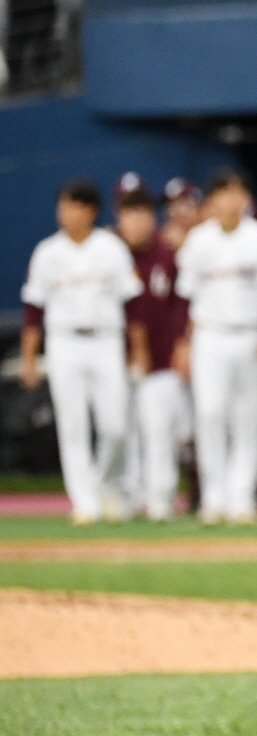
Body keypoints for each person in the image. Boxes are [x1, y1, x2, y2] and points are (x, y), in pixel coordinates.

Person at [19, 179, 144, 525]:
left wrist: (138, 350)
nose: (66, 213)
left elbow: (132, 304)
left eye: (74, 205)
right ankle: (84, 503)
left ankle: (104, 483)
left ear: (90, 210)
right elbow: (33, 310)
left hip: (106, 340)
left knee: (116, 424)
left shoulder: (111, 248)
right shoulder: (48, 252)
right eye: (63, 205)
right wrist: (30, 358)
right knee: (72, 427)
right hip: (64, 342)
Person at [176, 167, 257, 526]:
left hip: (250, 334)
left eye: (237, 193)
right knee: (209, 413)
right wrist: (184, 342)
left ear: (246, 199)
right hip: (210, 335)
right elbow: (185, 297)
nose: (231, 201)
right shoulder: (198, 241)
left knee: (247, 418)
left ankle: (241, 498)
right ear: (212, 201)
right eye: (223, 193)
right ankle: (214, 497)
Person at [114, 173, 195, 521]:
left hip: (162, 358)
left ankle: (161, 500)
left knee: (161, 431)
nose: (137, 220)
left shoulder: (166, 252)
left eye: (143, 212)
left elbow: (182, 302)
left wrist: (183, 343)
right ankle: (127, 499)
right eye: (129, 212)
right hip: (114, 358)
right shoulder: (109, 252)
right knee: (121, 432)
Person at [161, 176, 204, 252]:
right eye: (171, 204)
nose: (177, 211)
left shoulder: (211, 234)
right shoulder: (160, 242)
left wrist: (184, 247)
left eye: (183, 203)